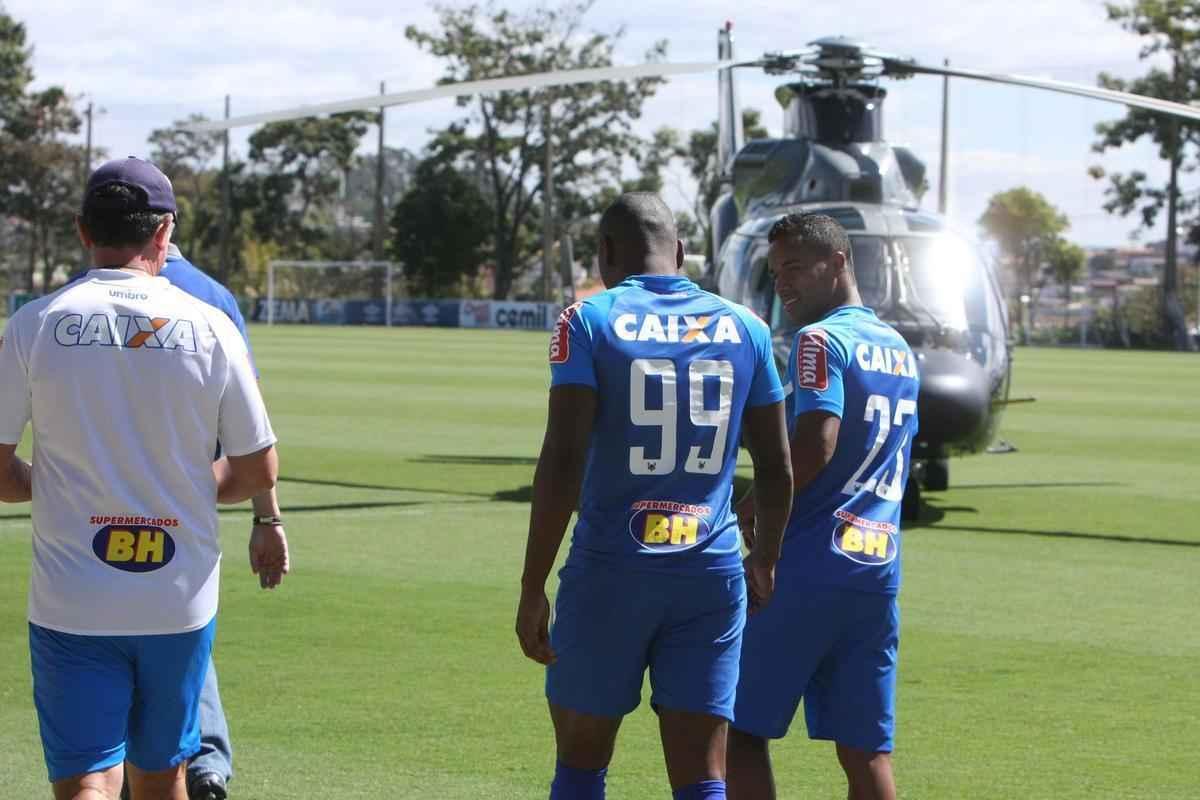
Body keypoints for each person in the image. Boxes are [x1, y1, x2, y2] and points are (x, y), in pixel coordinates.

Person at [0, 157, 286, 800]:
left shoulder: (33, 324)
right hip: (175, 596)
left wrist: (40, 481)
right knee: (163, 776)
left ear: (82, 231)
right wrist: (189, 489)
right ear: (165, 233)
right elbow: (257, 467)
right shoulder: (212, 324)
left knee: (85, 781)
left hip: (72, 597)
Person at [515, 192, 794, 800]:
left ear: (605, 253)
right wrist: (766, 558)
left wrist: (532, 585)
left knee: (582, 767)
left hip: (611, 571)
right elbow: (776, 466)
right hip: (709, 573)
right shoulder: (746, 327)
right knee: (702, 778)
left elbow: (562, 458)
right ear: (683, 252)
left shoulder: (586, 320)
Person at [725, 213, 920, 800]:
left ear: (837, 263)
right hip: (875, 569)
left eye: (794, 268)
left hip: (807, 566)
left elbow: (817, 440)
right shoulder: (899, 348)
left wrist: (758, 508)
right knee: (865, 752)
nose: (782, 283)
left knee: (735, 729)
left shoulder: (819, 341)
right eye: (774, 270)